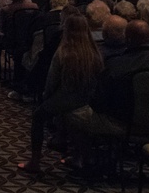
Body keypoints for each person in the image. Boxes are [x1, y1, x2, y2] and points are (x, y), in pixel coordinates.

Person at [18, 14, 103, 174]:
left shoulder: (64, 52)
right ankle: (78, 157)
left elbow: (52, 81)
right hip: (88, 98)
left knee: (38, 116)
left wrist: (46, 97)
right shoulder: (95, 52)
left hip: (67, 97)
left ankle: (35, 161)